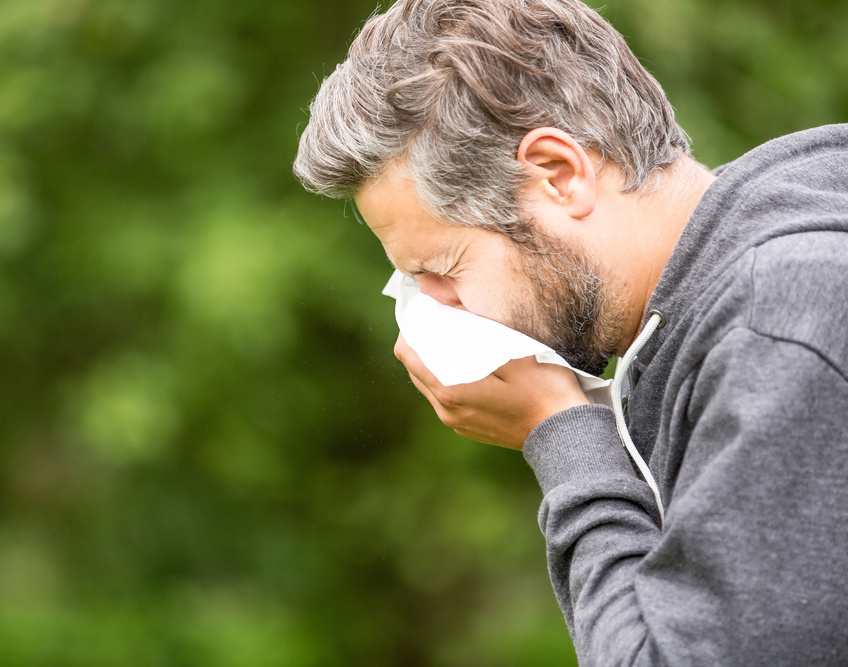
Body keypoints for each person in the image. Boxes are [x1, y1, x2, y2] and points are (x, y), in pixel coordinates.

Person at [293, 0, 848, 664]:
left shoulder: (780, 324)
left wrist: (559, 429)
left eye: (439, 268)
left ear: (558, 173)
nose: (434, 309)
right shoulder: (736, 291)